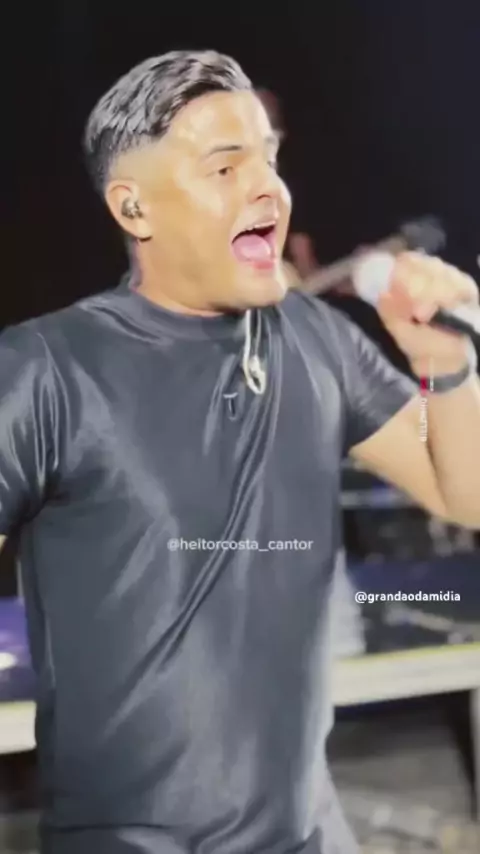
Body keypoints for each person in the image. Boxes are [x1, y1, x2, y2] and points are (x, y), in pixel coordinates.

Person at [1, 50, 480, 854]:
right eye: (226, 166)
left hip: (312, 836)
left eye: (270, 158)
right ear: (134, 207)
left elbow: (466, 494)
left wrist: (448, 366)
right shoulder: (46, 370)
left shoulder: (318, 339)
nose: (269, 189)